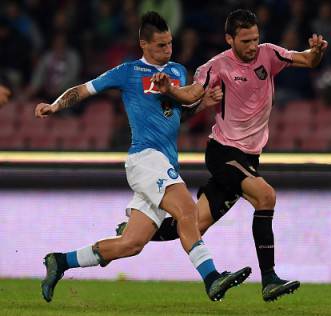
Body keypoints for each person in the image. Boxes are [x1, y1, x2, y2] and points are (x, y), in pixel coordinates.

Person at [36, 11, 251, 303]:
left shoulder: (177, 72)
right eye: (161, 45)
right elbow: (83, 90)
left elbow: (176, 116)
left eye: (170, 44)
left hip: (163, 163)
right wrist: (55, 105)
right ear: (144, 45)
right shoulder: (128, 72)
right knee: (187, 211)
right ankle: (212, 279)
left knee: (132, 243)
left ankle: (60, 261)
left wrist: (202, 105)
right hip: (145, 159)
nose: (168, 50)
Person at [117, 9, 328, 302]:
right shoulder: (216, 67)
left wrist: (316, 52)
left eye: (255, 39)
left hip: (250, 157)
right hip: (224, 152)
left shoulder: (269, 54)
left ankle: (139, 232)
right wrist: (171, 90)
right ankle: (269, 280)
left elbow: (306, 59)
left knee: (192, 225)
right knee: (265, 196)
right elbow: (192, 94)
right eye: (245, 41)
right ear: (229, 39)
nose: (253, 46)